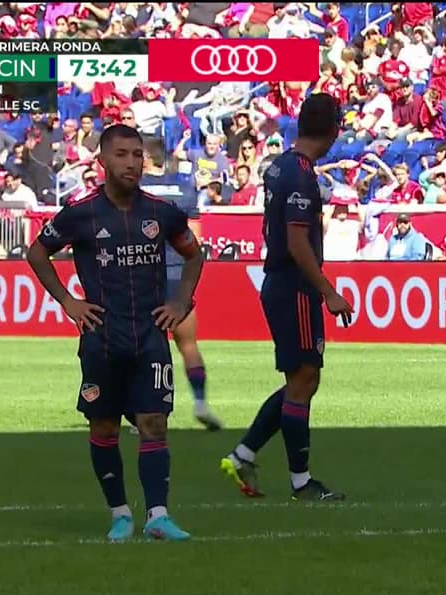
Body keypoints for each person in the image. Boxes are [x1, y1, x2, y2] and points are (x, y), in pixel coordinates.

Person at [26, 123, 205, 541]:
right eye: (122, 155)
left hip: (150, 336)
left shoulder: (162, 212)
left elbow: (194, 255)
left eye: (137, 154)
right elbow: (37, 252)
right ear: (102, 160)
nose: (132, 163)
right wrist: (68, 301)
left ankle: (158, 516)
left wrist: (181, 301)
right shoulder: (81, 213)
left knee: (154, 423)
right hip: (102, 339)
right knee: (103, 427)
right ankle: (120, 513)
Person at [219, 93, 352, 501]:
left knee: (301, 379)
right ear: (332, 130)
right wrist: (327, 291)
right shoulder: (298, 174)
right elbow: (297, 241)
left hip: (282, 282)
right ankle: (301, 482)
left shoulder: (280, 166)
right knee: (304, 379)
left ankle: (243, 454)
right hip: (294, 283)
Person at [124, 136, 223, 435]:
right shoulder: (184, 189)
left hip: (143, 277)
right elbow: (196, 240)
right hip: (178, 276)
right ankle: (201, 402)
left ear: (146, 159)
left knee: (141, 350)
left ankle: (146, 413)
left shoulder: (134, 192)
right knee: (188, 344)